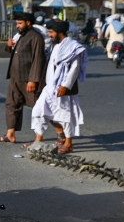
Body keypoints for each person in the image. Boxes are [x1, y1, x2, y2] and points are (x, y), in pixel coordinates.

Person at [29, 19, 88, 154]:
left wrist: (65, 85)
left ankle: (68, 143)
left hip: (63, 88)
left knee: (65, 116)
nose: (49, 35)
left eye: (51, 32)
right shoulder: (55, 46)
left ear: (60, 32)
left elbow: (75, 68)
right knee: (38, 110)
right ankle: (38, 139)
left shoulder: (73, 46)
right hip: (50, 86)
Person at [0, 15, 46, 144]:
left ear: (28, 23)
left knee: (37, 107)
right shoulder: (20, 36)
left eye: (20, 23)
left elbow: (38, 59)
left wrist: (33, 80)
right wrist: (8, 45)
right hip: (15, 78)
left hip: (28, 79)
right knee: (12, 105)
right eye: (17, 23)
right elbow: (13, 51)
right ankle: (10, 134)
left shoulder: (36, 37)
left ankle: (42, 137)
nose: (17, 26)